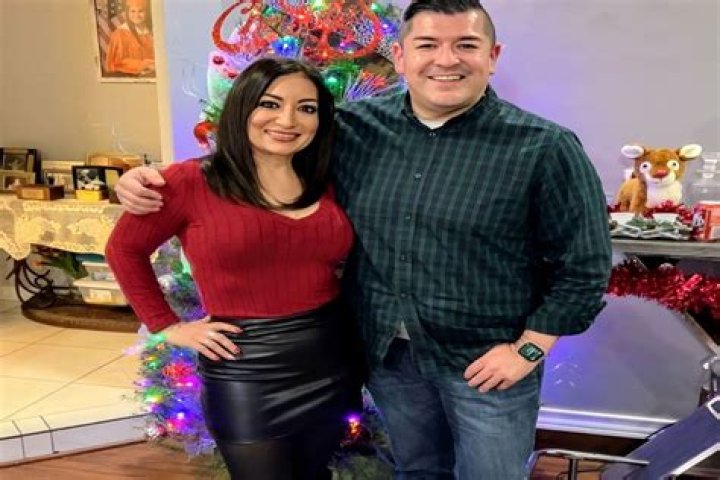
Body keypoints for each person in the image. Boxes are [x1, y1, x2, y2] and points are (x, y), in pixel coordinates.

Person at [114, 1, 613, 478]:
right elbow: (261, 156)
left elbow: (585, 266)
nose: (445, 59)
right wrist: (144, 181)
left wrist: (529, 350)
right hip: (389, 358)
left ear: (492, 55)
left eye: (465, 44)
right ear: (400, 55)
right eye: (427, 45)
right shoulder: (352, 129)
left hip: (486, 361)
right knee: (418, 471)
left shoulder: (544, 147)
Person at [105, 58, 362, 480]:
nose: (288, 120)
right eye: (270, 104)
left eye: (306, 108)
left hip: (330, 358)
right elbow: (123, 250)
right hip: (246, 369)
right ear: (242, 107)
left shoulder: (325, 179)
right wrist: (166, 326)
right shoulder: (189, 181)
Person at [104, 0, 155, 76]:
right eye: (132, 11)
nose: (136, 15)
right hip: (128, 76)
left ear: (147, 12)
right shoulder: (120, 34)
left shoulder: (152, 32)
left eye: (141, 11)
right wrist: (144, 64)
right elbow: (116, 62)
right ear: (127, 12)